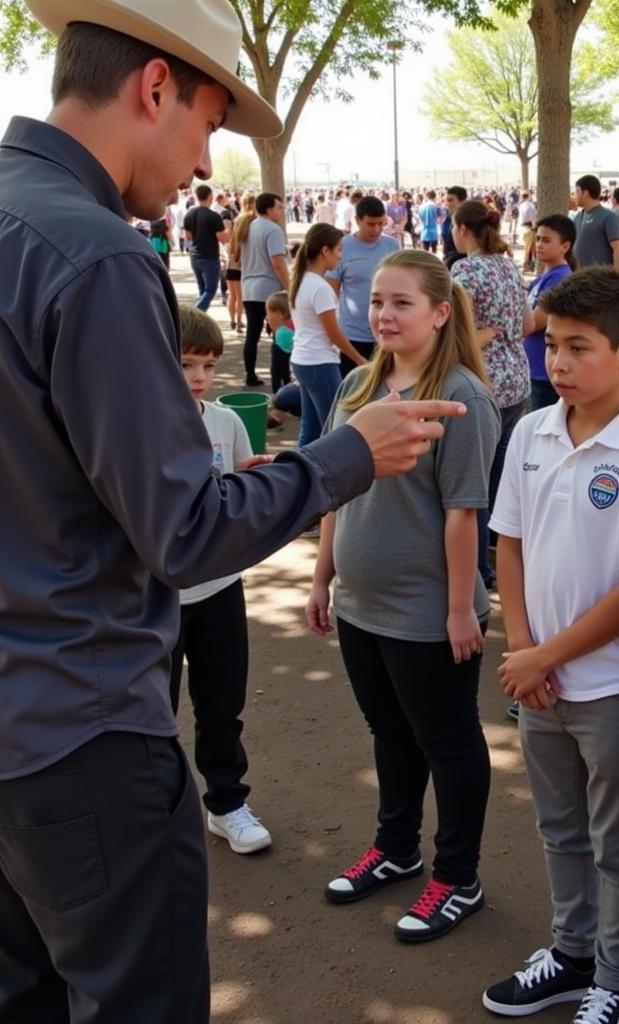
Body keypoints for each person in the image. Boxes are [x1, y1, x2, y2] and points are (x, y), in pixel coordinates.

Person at [0, 4, 469, 1020]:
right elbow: (186, 531)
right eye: (211, 121)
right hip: (75, 726)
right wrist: (349, 454)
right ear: (154, 88)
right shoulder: (95, 253)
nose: (204, 160)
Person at [484, 267, 619, 1024]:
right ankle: (570, 954)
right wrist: (524, 646)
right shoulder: (532, 432)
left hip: (611, 686)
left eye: (581, 347)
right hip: (537, 680)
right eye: (555, 346)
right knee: (558, 827)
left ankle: (618, 981)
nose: (561, 364)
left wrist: (548, 656)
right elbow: (507, 544)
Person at [308, 249, 499, 942]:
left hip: (426, 613)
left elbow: (462, 512)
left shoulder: (462, 398)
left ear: (440, 313)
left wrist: (457, 607)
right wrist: (322, 575)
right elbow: (331, 487)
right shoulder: (357, 384)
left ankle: (458, 876)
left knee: (446, 740)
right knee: (391, 733)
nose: (383, 314)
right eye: (378, 301)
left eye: (401, 303)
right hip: (360, 603)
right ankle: (396, 849)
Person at [171, 305, 271, 855]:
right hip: (157, 594)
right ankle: (156, 814)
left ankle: (227, 802)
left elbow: (232, 496)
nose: (199, 377)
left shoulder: (225, 421)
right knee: (151, 714)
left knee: (221, 704)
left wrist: (251, 483)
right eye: (187, 363)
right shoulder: (138, 423)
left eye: (208, 365)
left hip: (218, 589)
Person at [451, 199, 532, 589]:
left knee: (474, 486)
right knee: (502, 481)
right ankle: (505, 557)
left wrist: (485, 335)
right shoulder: (508, 266)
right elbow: (528, 322)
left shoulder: (465, 271)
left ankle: (480, 570)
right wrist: (502, 332)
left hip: (483, 385)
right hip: (517, 379)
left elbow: (457, 334)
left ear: (462, 229)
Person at [290, 223, 369, 447]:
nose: (341, 256)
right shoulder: (320, 287)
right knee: (334, 427)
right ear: (325, 251)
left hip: (303, 360)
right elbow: (334, 333)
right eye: (339, 250)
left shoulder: (302, 280)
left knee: (312, 427)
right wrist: (359, 359)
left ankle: (300, 474)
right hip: (319, 362)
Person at [325, 194, 400, 376]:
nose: (376, 230)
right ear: (358, 220)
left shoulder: (392, 245)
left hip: (387, 331)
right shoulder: (343, 247)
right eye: (371, 224)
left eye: (381, 224)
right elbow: (330, 293)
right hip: (353, 336)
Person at [524, 214, 576, 410]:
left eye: (546, 240)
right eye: (537, 239)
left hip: (543, 373)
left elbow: (533, 324)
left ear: (565, 246)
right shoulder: (545, 277)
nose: (539, 245)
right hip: (535, 368)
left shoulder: (559, 278)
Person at [240, 191, 289, 386]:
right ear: (269, 209)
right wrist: (290, 288)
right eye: (279, 207)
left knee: (252, 334)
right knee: (280, 336)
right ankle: (282, 379)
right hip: (269, 289)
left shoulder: (248, 226)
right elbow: (278, 263)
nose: (282, 211)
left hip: (249, 288)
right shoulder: (273, 229)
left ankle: (250, 374)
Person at [183, 183, 228, 310]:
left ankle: (201, 319)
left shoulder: (189, 214)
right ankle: (195, 313)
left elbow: (188, 237)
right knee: (210, 290)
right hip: (209, 256)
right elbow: (222, 238)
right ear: (210, 196)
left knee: (202, 290)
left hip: (194, 255)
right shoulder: (214, 216)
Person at [573, 174, 619, 270]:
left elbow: (617, 248)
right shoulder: (578, 217)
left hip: (600, 279)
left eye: (577, 191)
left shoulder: (609, 217)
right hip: (579, 277)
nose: (574, 195)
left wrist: (617, 276)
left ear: (586, 193)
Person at [226, 192, 255, 333]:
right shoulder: (250, 220)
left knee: (232, 295)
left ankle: (232, 320)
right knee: (240, 296)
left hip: (231, 262)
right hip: (240, 263)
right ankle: (239, 322)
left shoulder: (237, 219)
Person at [265, 288, 294, 395]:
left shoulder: (281, 334)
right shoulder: (295, 326)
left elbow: (276, 370)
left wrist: (275, 393)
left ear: (281, 314)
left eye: (269, 313)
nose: (266, 317)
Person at [442, 184, 468, 269]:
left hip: (461, 265)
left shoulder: (469, 222)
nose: (447, 204)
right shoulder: (448, 219)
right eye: (446, 200)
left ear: (462, 201)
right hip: (449, 263)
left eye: (450, 200)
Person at [419, 189, 441, 253]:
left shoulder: (421, 206)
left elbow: (420, 218)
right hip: (434, 231)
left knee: (425, 253)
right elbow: (441, 217)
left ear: (427, 196)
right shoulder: (436, 206)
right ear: (434, 196)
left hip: (424, 231)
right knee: (434, 252)